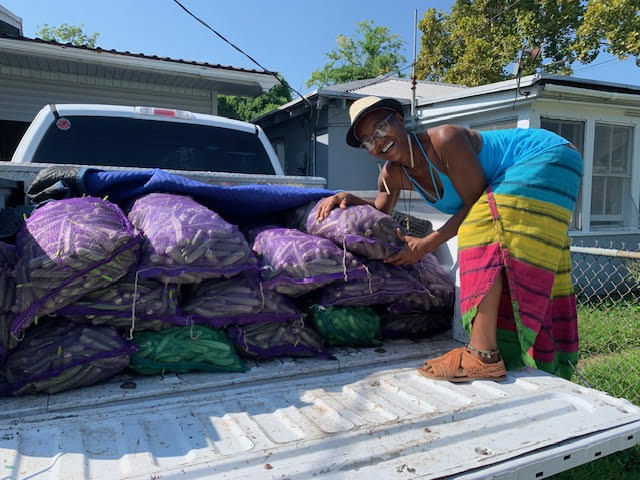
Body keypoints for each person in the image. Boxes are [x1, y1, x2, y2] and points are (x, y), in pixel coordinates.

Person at [315, 96, 583, 382]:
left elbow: (474, 203)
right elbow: (381, 209)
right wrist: (349, 197)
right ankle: (504, 349)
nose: (379, 141)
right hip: (536, 166)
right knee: (503, 254)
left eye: (381, 127)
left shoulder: (445, 139)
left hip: (547, 154)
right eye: (368, 140)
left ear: (400, 120)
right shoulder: (392, 174)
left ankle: (482, 356)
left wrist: (426, 244)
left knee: (479, 231)